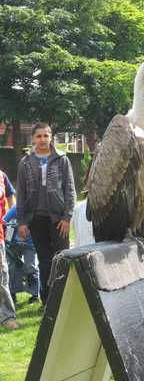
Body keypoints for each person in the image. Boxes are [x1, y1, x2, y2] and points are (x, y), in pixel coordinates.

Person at [16, 123, 76, 307]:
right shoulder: (25, 162)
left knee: (62, 258)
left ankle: (64, 300)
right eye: (39, 136)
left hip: (58, 219)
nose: (43, 139)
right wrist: (21, 222)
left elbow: (70, 190)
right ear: (33, 138)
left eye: (46, 135)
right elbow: (21, 194)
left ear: (51, 138)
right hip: (36, 219)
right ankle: (47, 301)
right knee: (44, 260)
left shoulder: (62, 159)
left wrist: (66, 217)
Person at [3, 205, 40, 304]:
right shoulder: (15, 208)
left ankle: (34, 294)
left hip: (30, 243)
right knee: (12, 267)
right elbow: (4, 220)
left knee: (30, 267)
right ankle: (13, 292)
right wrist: (11, 224)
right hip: (14, 243)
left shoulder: (35, 208)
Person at [0, 170, 17, 330]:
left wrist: (13, 219)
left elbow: (10, 196)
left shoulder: (1, 175)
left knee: (2, 275)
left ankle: (7, 316)